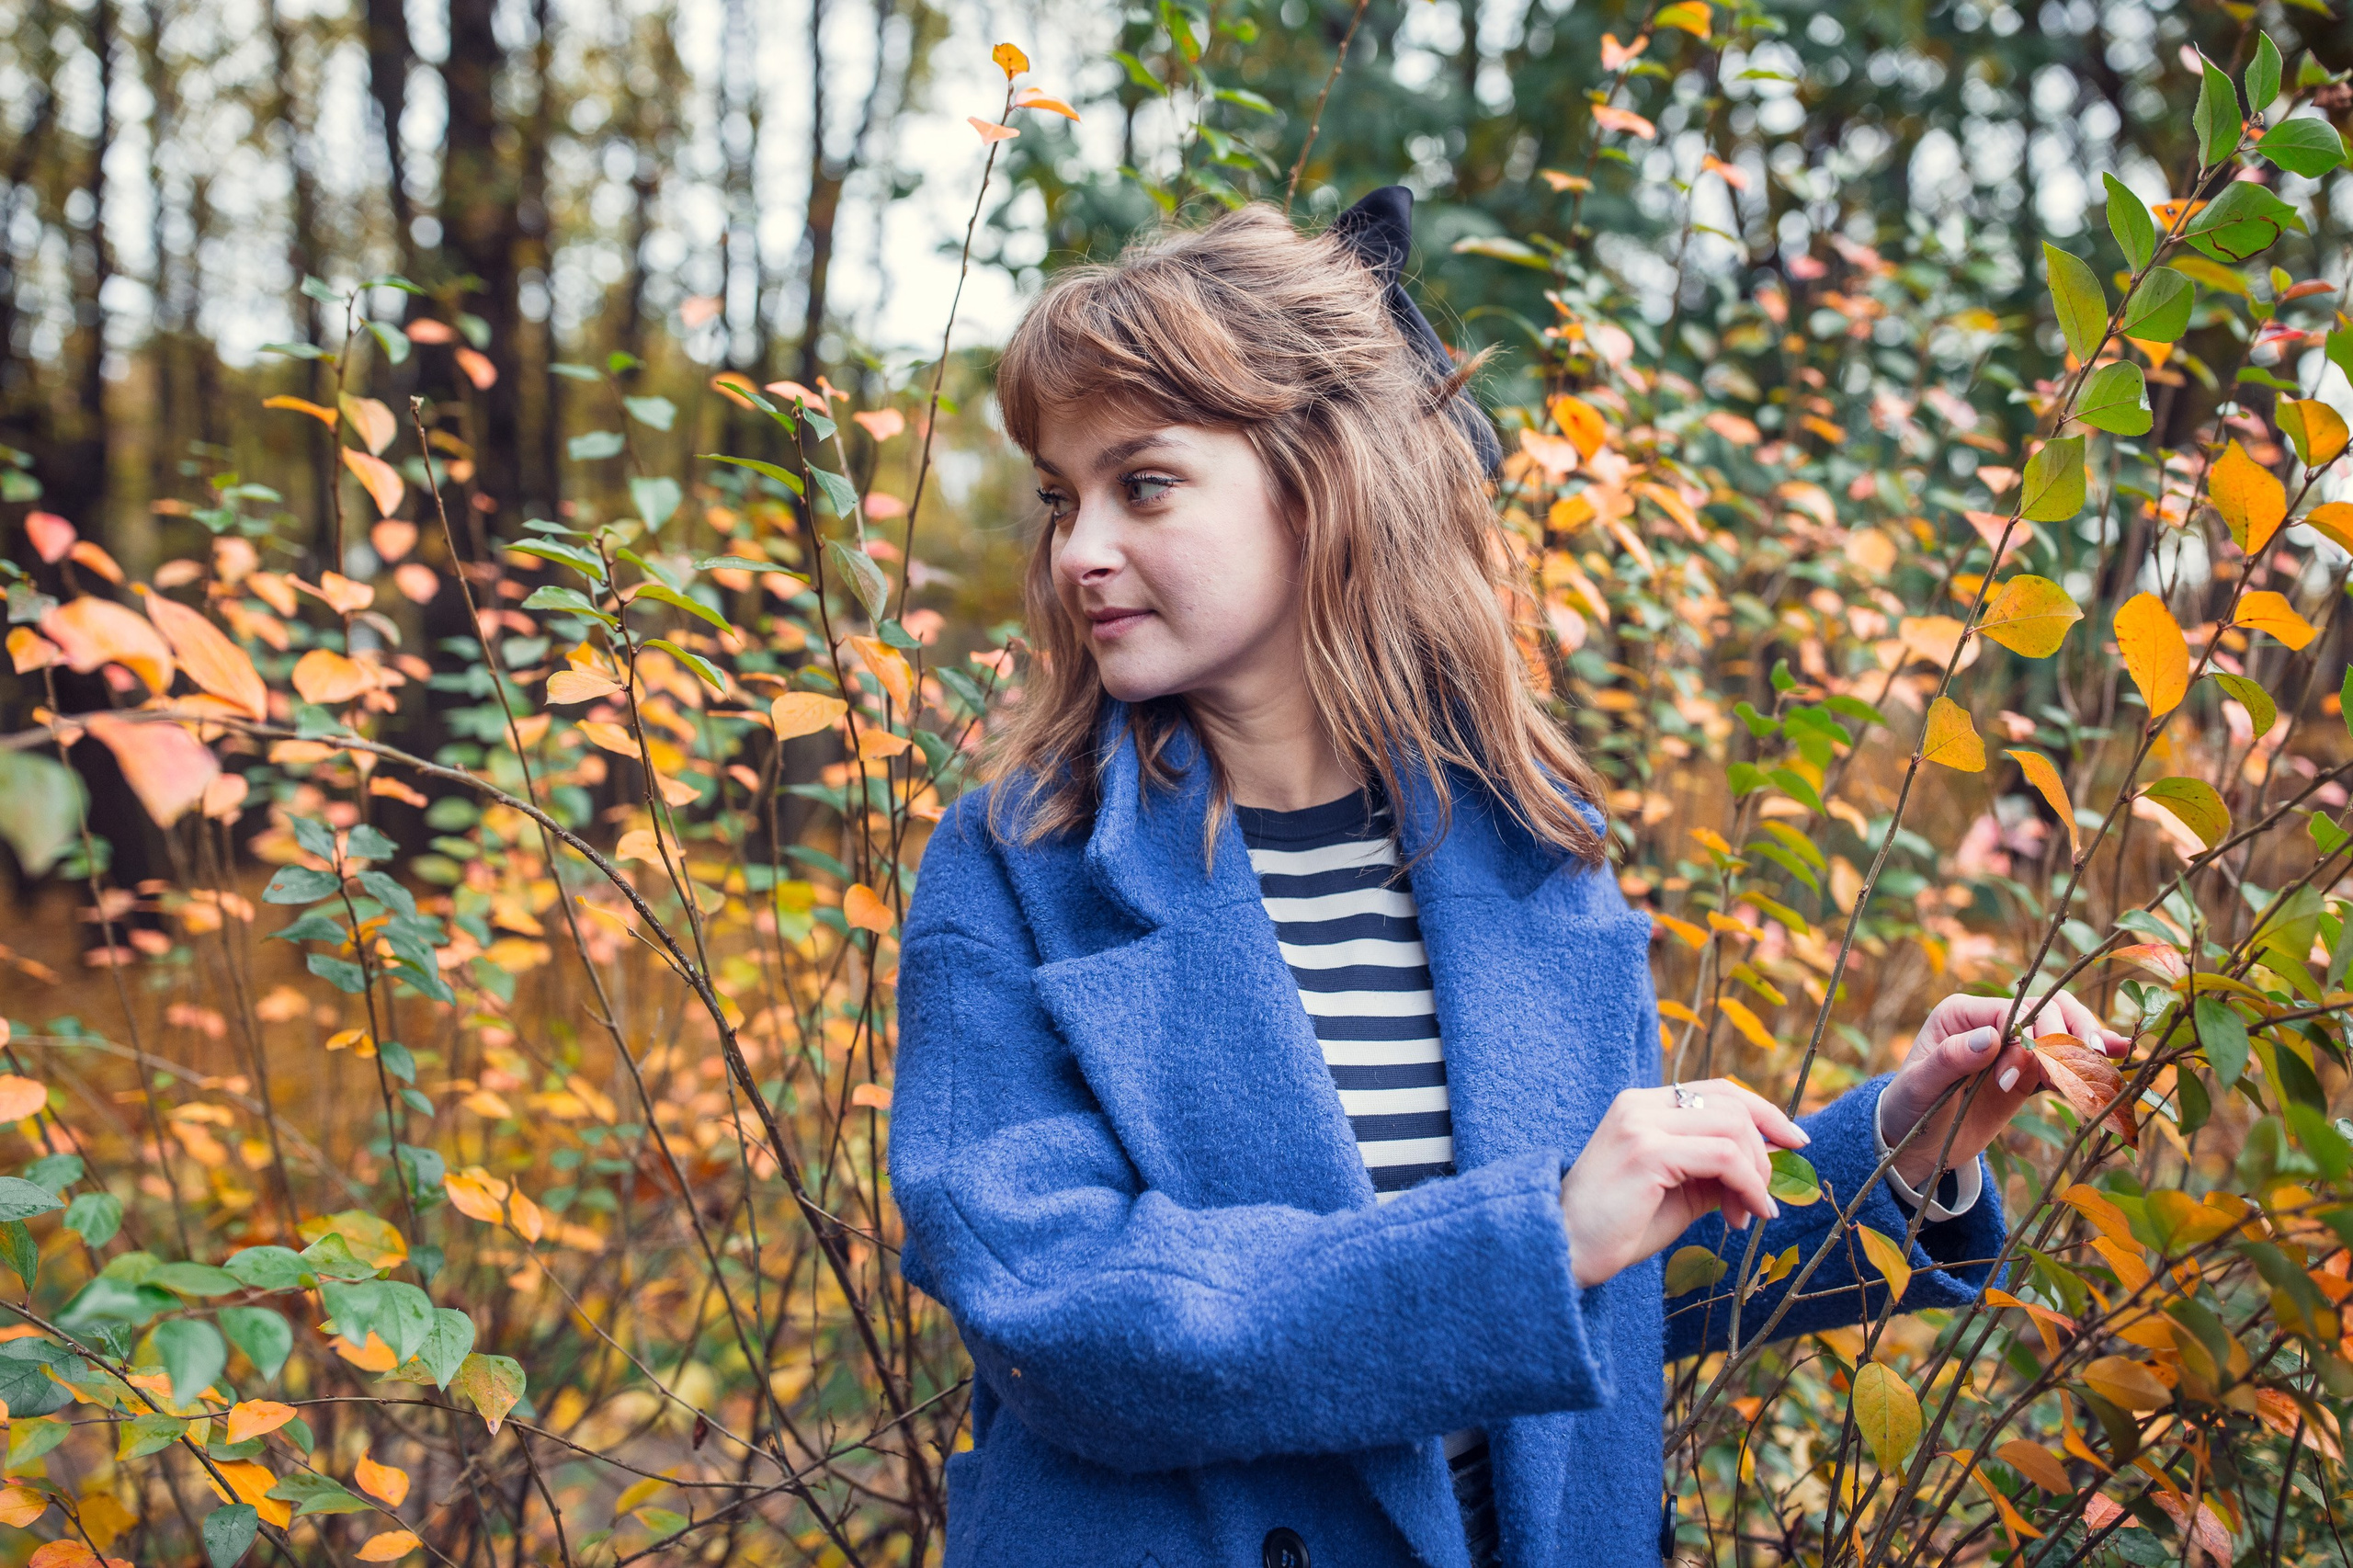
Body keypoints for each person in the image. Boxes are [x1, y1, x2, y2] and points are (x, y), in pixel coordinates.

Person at [886, 190, 2129, 1568]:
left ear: (1327, 481)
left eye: (1145, 484)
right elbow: (1065, 1310)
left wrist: (1900, 1148)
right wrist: (1537, 1235)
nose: (1079, 552)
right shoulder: (1016, 869)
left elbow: (1605, 1278)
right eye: (1064, 497)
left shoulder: (1534, 848)